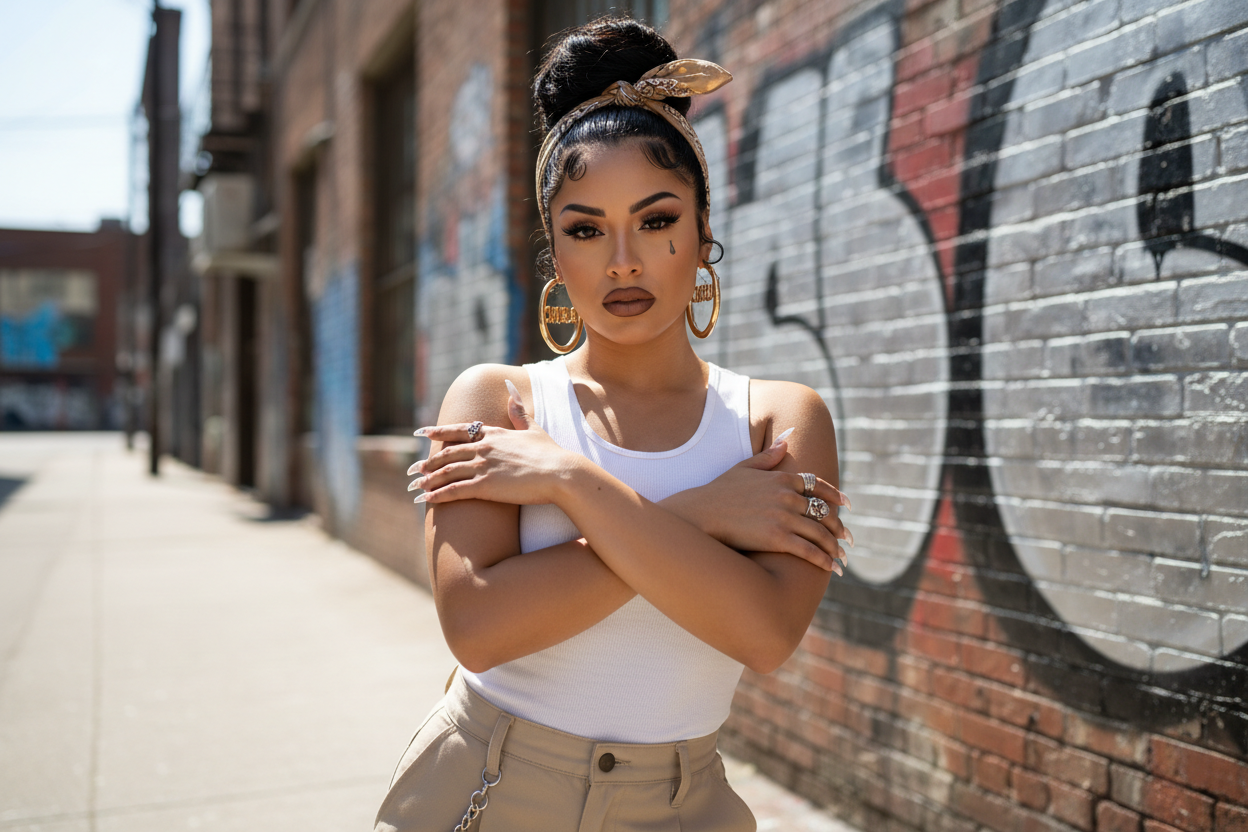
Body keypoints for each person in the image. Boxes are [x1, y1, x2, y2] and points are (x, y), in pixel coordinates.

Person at [374, 17, 852, 832]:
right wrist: (701, 513)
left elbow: (766, 635)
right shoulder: (501, 403)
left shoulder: (775, 419)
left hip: (684, 806)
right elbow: (479, 629)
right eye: (586, 229)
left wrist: (566, 481)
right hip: (490, 785)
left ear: (704, 234)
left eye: (657, 220)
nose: (622, 260)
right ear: (556, 254)